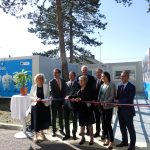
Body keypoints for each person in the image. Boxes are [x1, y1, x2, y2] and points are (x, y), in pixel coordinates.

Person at [71, 76, 95, 145]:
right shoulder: (79, 88)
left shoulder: (89, 89)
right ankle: (82, 138)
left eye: (81, 80)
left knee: (89, 125)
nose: (79, 82)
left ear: (85, 81)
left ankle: (91, 139)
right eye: (79, 80)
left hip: (87, 110)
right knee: (81, 125)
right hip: (81, 110)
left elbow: (89, 97)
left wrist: (80, 99)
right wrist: (70, 97)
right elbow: (75, 95)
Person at [116, 70, 136, 150]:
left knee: (130, 128)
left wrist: (119, 101)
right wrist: (114, 100)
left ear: (127, 77)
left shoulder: (132, 87)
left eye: (123, 76)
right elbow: (117, 97)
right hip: (120, 111)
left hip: (128, 111)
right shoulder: (120, 86)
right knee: (122, 127)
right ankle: (124, 142)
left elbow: (129, 99)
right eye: (121, 76)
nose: (121, 77)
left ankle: (132, 145)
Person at [29, 73, 51, 143]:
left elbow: (48, 96)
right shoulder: (33, 86)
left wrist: (45, 100)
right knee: (36, 120)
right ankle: (35, 136)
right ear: (36, 79)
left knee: (42, 120)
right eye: (38, 78)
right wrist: (37, 98)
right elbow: (30, 96)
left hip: (44, 106)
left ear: (43, 80)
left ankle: (42, 133)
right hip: (36, 106)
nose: (40, 79)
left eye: (41, 78)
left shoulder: (46, 86)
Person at [98, 72, 116, 149]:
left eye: (104, 76)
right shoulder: (102, 85)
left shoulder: (111, 85)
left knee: (108, 124)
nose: (102, 77)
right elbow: (100, 95)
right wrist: (99, 102)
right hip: (101, 107)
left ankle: (111, 140)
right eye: (102, 76)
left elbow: (112, 96)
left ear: (108, 77)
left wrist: (105, 102)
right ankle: (107, 139)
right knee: (104, 124)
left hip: (108, 107)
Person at [77, 65, 96, 135]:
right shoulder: (78, 78)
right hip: (81, 104)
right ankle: (82, 133)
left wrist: (93, 98)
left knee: (89, 121)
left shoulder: (92, 78)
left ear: (87, 71)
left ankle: (89, 133)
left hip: (88, 102)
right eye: (83, 70)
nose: (84, 71)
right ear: (81, 71)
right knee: (82, 121)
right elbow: (77, 90)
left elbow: (94, 89)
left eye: (85, 70)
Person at [63, 71, 80, 140]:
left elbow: (77, 93)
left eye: (72, 75)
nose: (70, 76)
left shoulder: (78, 84)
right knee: (66, 120)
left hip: (74, 105)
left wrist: (71, 97)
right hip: (66, 104)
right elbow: (64, 93)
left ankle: (74, 134)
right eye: (69, 75)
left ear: (75, 76)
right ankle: (67, 134)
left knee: (74, 120)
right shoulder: (66, 83)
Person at [49, 68, 66, 137]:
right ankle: (53, 130)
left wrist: (63, 101)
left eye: (56, 72)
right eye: (54, 73)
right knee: (53, 117)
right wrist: (54, 97)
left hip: (61, 102)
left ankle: (61, 129)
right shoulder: (51, 81)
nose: (54, 74)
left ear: (59, 73)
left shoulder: (63, 81)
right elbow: (51, 91)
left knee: (61, 117)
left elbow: (64, 91)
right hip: (54, 102)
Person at [93, 68, 105, 138]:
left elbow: (104, 93)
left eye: (99, 73)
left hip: (102, 104)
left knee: (103, 119)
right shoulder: (94, 81)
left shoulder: (104, 82)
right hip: (95, 104)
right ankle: (97, 131)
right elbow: (93, 92)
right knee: (97, 118)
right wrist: (94, 100)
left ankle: (104, 133)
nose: (97, 74)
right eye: (96, 73)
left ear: (101, 73)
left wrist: (99, 101)